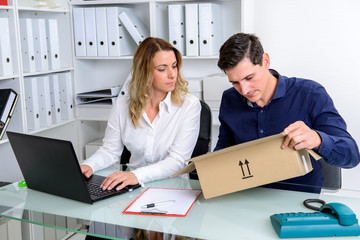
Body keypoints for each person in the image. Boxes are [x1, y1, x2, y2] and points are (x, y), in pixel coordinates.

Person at [215, 33, 360, 192]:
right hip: (246, 197)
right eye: (235, 82)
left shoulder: (310, 94)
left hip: (298, 203)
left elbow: (351, 156)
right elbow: (224, 150)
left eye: (249, 77)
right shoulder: (230, 98)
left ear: (265, 61)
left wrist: (317, 139)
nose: (244, 90)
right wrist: (211, 164)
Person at [80, 37, 201, 193]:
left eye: (174, 66)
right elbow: (110, 150)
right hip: (132, 187)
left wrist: (136, 175)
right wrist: (89, 165)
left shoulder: (189, 105)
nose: (172, 75)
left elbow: (177, 161)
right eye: (162, 69)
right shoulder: (123, 104)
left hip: (173, 189)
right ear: (144, 72)